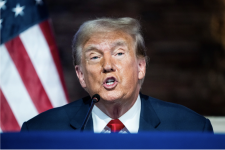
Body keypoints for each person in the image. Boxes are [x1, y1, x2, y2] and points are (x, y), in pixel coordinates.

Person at [21, 17, 213, 133]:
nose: (108, 65)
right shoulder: (41, 131)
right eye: (95, 57)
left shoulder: (190, 128)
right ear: (81, 75)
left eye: (119, 53)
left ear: (140, 67)